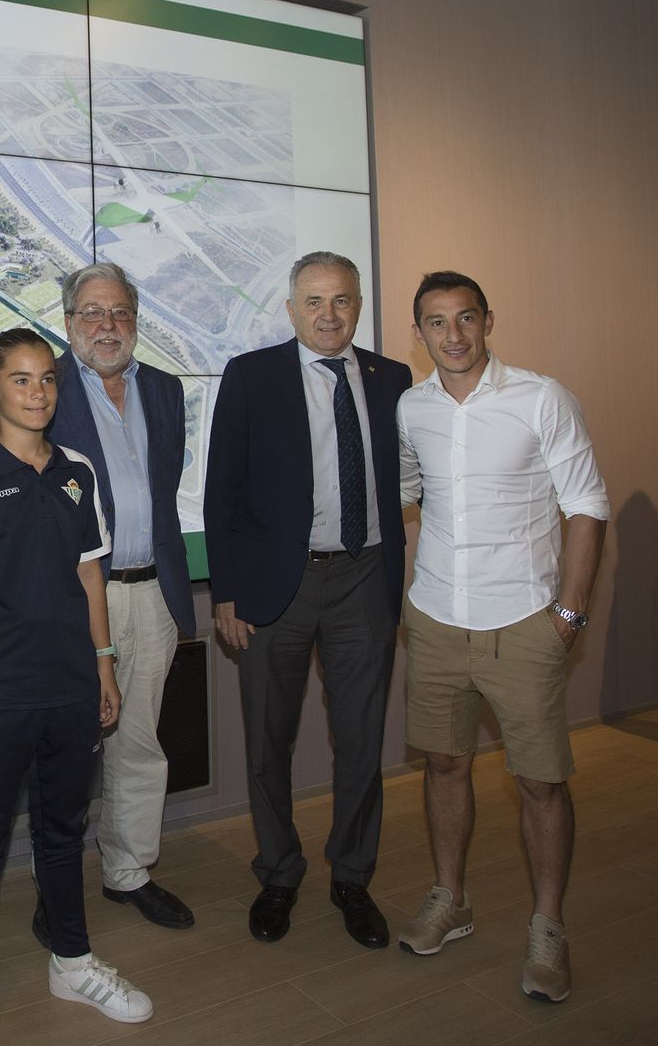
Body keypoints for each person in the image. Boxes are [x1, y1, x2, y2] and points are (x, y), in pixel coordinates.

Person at [0, 328, 153, 1046]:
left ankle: (73, 959)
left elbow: (91, 575)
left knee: (63, 831)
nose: (38, 392)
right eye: (20, 380)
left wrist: (104, 664)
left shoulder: (78, 471)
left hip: (68, 686)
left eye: (47, 379)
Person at [395, 271, 608, 1003]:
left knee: (541, 782)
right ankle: (449, 899)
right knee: (444, 766)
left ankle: (548, 925)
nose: (452, 336)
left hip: (523, 622)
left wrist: (569, 614)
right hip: (434, 619)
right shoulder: (411, 407)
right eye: (435, 322)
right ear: (417, 332)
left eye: (464, 320)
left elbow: (586, 505)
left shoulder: (540, 398)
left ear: (487, 321)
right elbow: (406, 491)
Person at [204, 250, 410, 949]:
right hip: (274, 588)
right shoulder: (251, 376)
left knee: (360, 742)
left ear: (358, 306)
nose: (329, 315)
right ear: (291, 309)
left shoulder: (392, 379)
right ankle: (280, 873)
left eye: (343, 301)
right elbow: (222, 492)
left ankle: (352, 875)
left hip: (364, 580)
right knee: (268, 741)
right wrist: (227, 591)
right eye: (315, 302)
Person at [44, 262, 197, 939]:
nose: (107, 327)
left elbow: (166, 483)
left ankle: (128, 870)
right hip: (75, 600)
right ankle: (56, 891)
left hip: (152, 593)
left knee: (139, 744)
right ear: (68, 321)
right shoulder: (41, 385)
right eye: (91, 313)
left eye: (120, 314)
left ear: (135, 320)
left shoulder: (163, 389)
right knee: (67, 752)